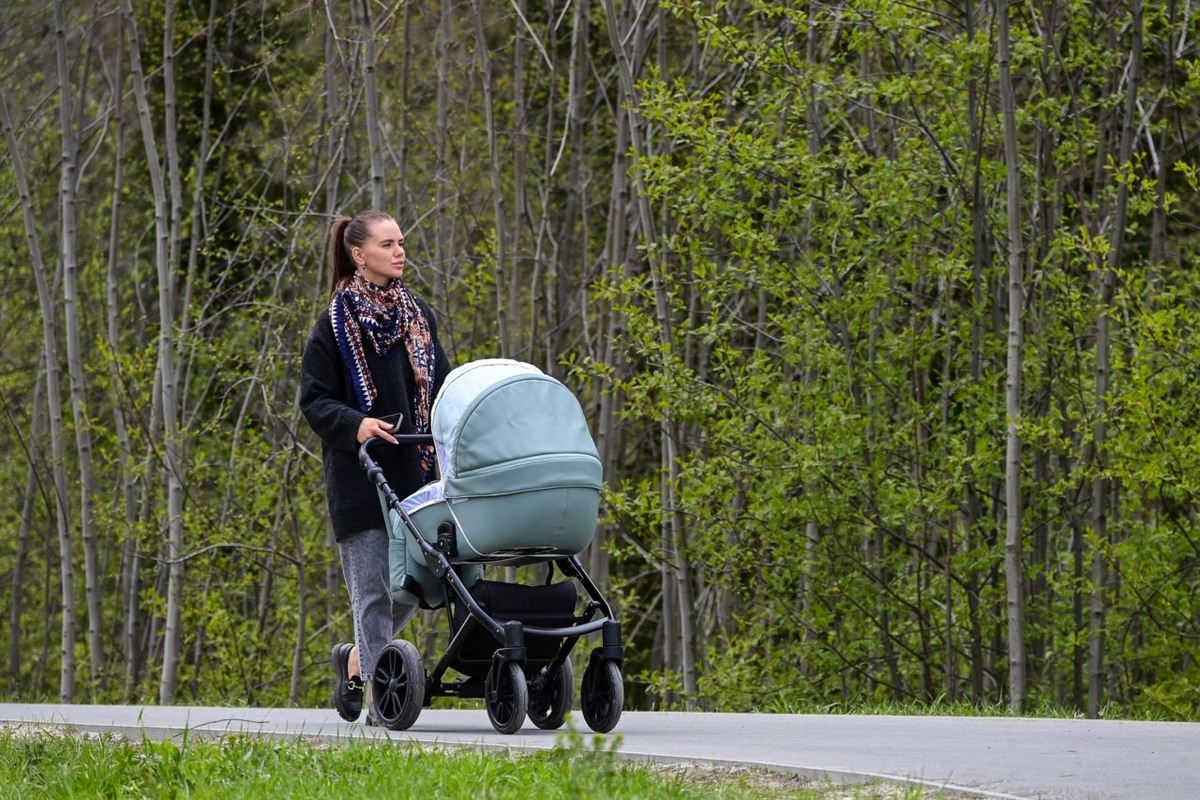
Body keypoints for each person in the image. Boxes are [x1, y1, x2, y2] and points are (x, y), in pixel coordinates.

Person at [300, 210, 451, 723]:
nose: (399, 251)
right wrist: (356, 424)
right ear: (359, 255)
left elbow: (443, 386)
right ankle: (382, 703)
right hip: (360, 477)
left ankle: (358, 660)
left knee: (421, 582)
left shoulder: (418, 316)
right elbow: (315, 400)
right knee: (371, 593)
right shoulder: (334, 324)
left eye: (401, 242)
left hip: (415, 472)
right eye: (388, 244)